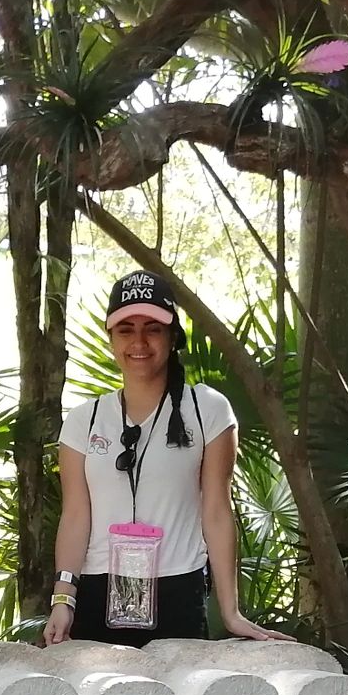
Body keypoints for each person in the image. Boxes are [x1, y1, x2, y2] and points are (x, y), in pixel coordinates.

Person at [42, 270, 283, 647]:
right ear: (111, 339)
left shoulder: (208, 410)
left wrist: (231, 612)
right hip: (97, 592)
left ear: (173, 337)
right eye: (126, 329)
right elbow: (75, 515)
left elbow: (217, 511)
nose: (139, 341)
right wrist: (63, 599)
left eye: (153, 328)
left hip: (177, 590)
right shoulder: (84, 420)